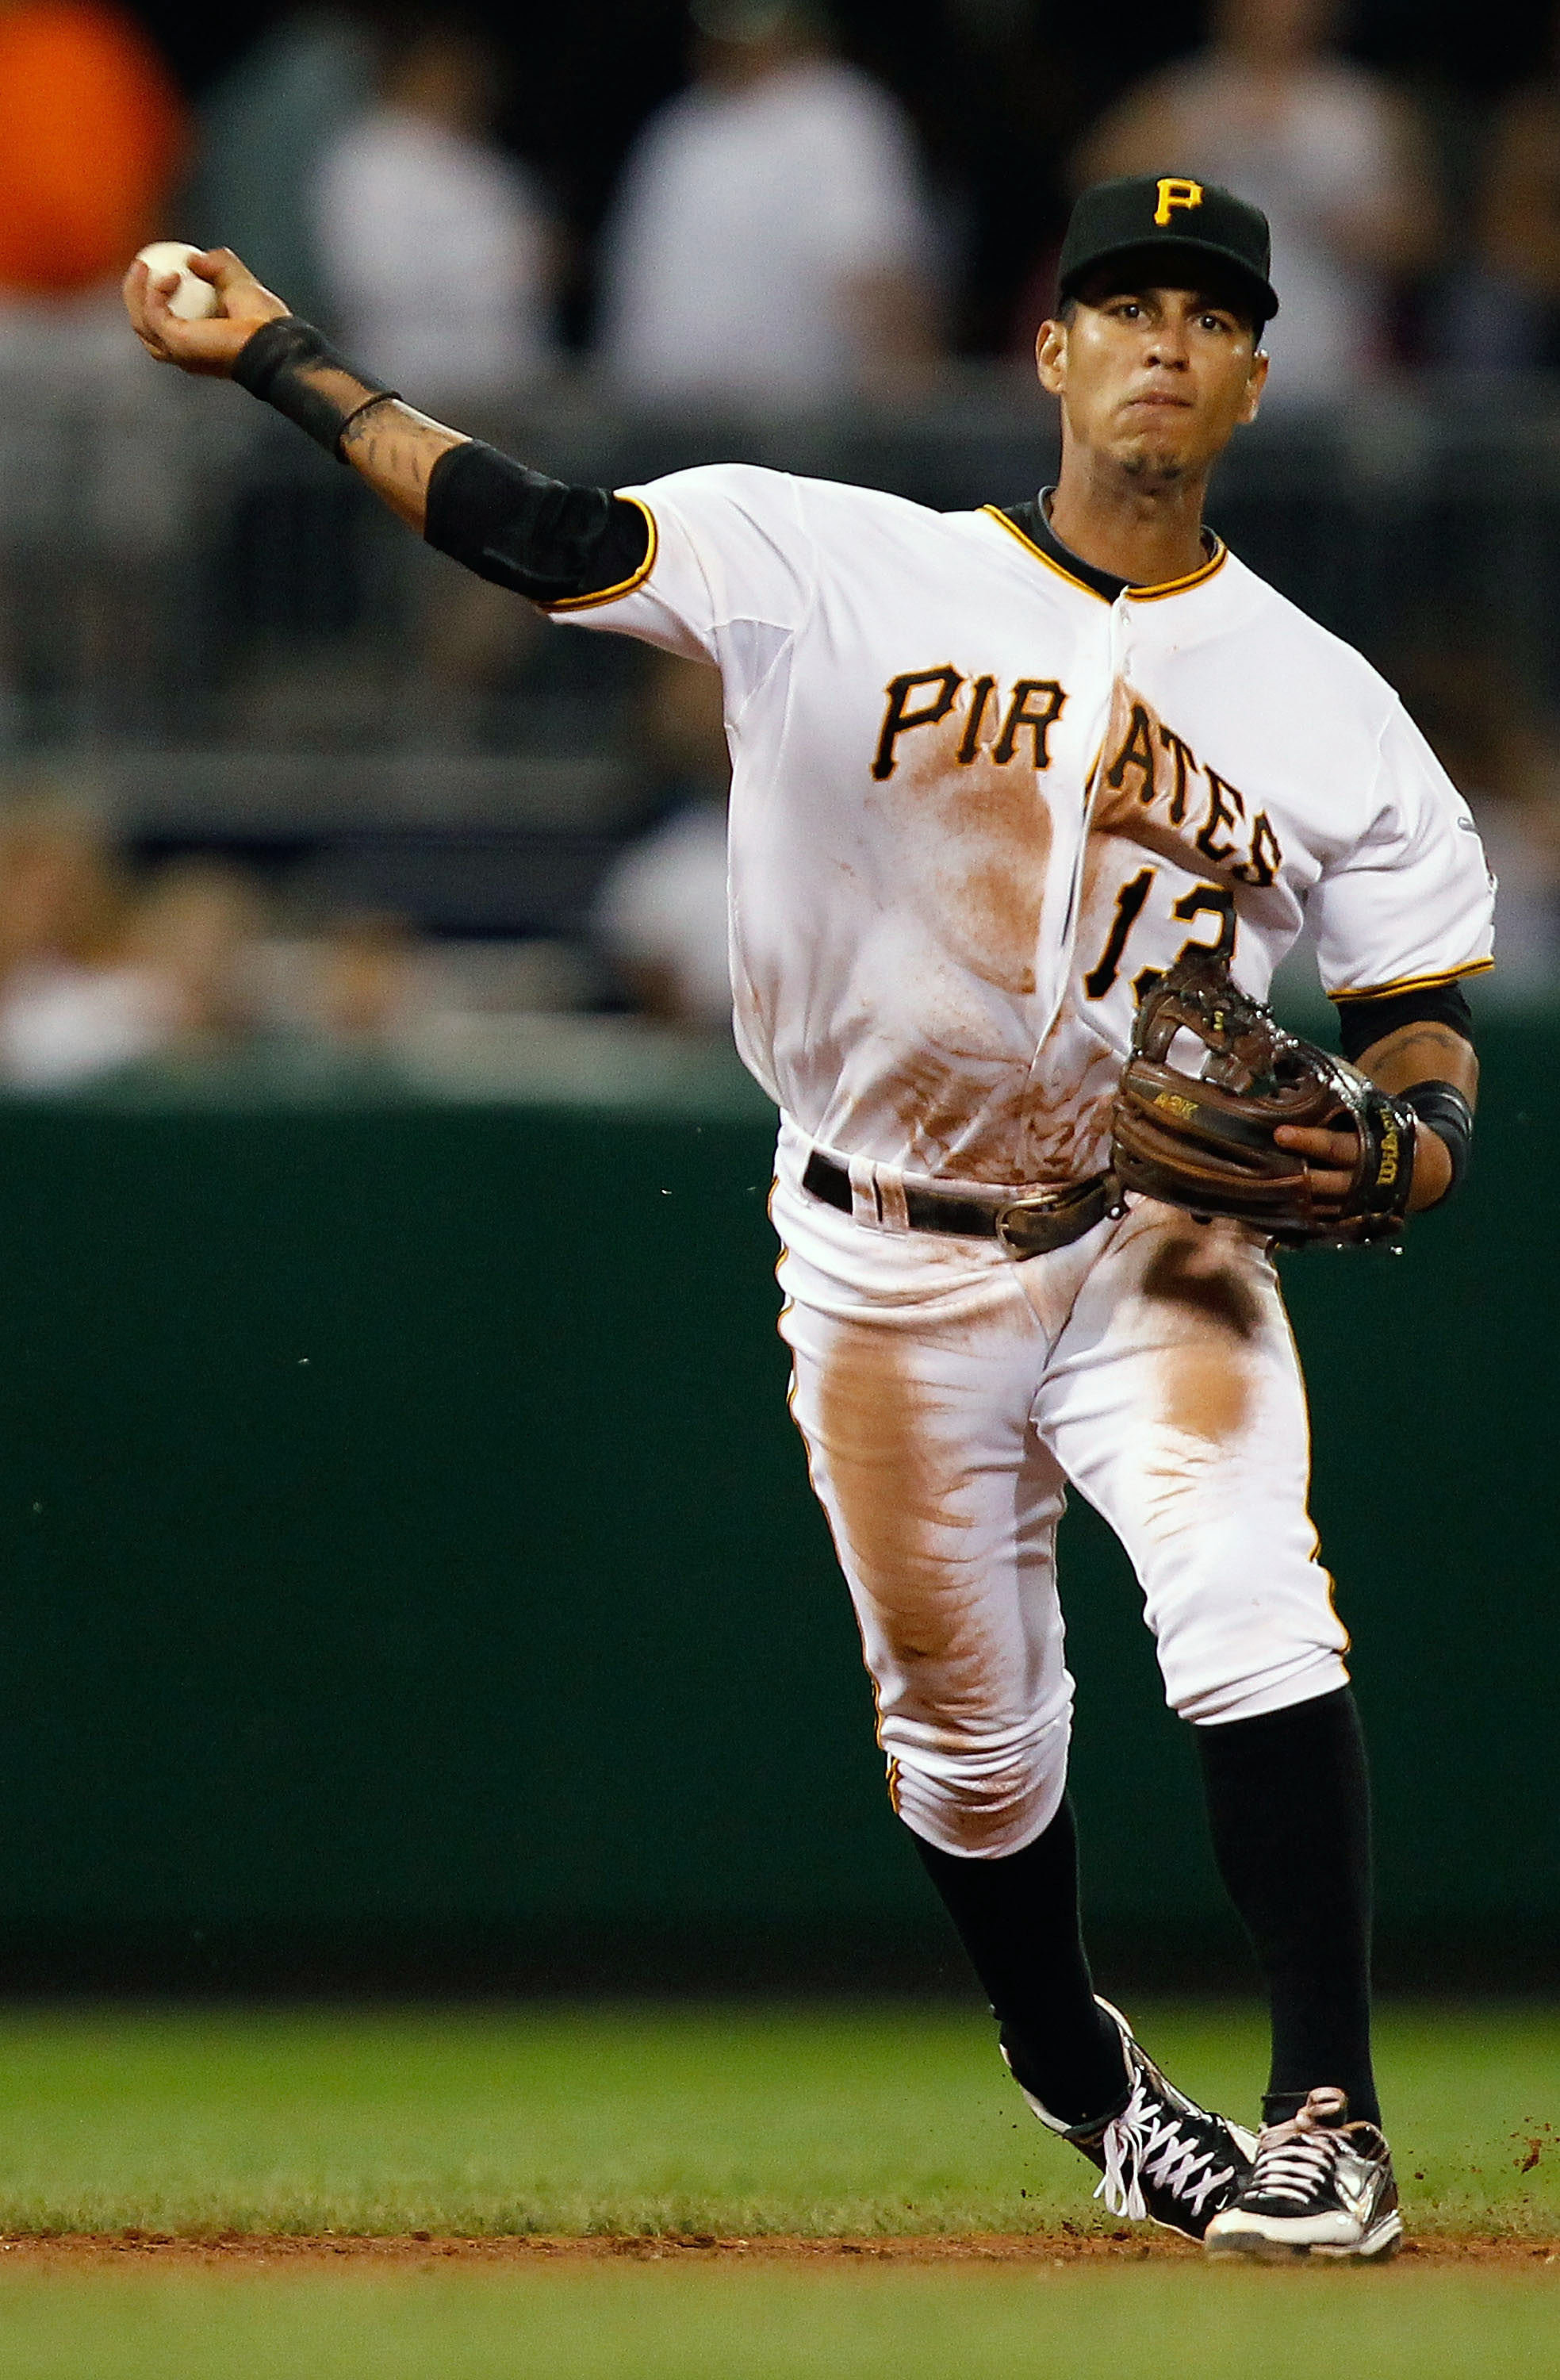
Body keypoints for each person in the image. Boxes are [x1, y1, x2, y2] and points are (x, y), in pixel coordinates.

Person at [124, 169, 1492, 2262]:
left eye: (1203, 315)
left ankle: (1329, 2113)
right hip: (877, 1246)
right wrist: (278, 359)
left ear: (1251, 373)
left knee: (1246, 1603)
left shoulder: (1326, 708)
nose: (1157, 340)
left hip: (1154, 1231)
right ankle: (1077, 2077)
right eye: (1118, 304)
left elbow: (1416, 1023)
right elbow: (539, 533)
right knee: (965, 1750)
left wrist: (1413, 1140)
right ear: (1044, 352)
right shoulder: (825, 556)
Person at [1075, 0, 1435, 400]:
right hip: (1196, 372)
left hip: (1333, 369)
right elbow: (1093, 187)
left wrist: (1347, 223)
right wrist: (1195, 144)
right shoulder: (1183, 99)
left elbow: (1421, 239)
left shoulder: (1363, 110)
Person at [596, 0, 937, 401]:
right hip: (662, 417)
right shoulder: (679, 128)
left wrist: (904, 410)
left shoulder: (837, 115)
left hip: (794, 420)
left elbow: (875, 273)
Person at [312, 14, 556, 409]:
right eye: (446, 69)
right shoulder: (369, 160)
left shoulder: (480, 158)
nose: (464, 84)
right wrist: (506, 270)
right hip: (418, 389)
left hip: (508, 386)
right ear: (407, 72)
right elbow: (377, 281)